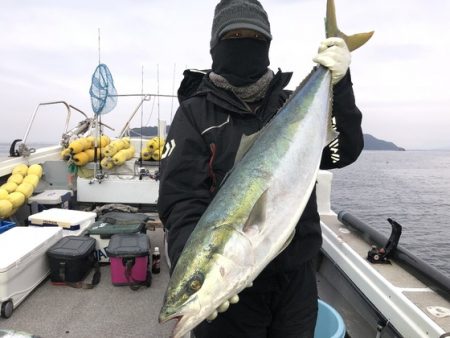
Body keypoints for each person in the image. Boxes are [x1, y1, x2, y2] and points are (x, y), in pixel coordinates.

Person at [158, 0, 363, 337]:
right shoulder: (194, 115)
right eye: (233, 35)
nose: (243, 43)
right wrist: (190, 266)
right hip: (234, 303)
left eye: (253, 36)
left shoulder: (289, 105)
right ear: (216, 45)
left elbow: (343, 153)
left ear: (267, 43)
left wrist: (340, 84)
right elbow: (181, 201)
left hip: (296, 281)